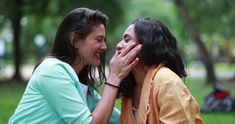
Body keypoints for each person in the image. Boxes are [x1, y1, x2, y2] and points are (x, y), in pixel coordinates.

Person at [9, 8, 142, 124]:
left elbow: (121, 120)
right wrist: (114, 77)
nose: (104, 47)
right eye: (99, 39)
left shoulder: (84, 89)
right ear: (75, 40)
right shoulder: (51, 70)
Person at [117, 17, 204, 124]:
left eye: (127, 40)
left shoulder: (166, 81)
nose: (118, 45)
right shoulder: (130, 88)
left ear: (145, 45)